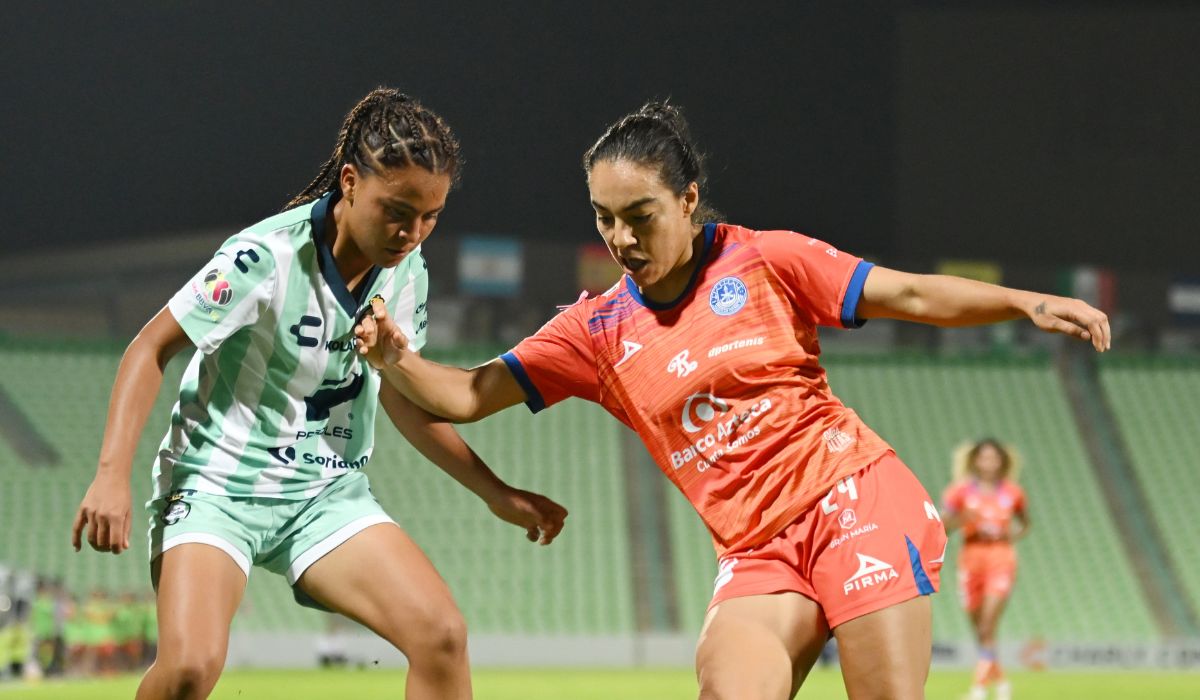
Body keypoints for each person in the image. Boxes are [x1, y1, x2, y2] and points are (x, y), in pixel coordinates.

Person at [354, 101, 1109, 700]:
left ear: (686, 201)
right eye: (602, 216)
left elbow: (908, 291)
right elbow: (462, 393)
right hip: (756, 550)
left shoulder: (767, 260)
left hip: (853, 502)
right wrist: (394, 357)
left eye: (639, 214)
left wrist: (1021, 302)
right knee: (728, 683)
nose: (620, 236)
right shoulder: (594, 330)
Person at [70, 87, 568, 700]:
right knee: (190, 669)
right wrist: (110, 475)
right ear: (352, 181)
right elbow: (149, 348)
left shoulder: (406, 271)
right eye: (398, 209)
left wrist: (497, 493)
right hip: (218, 486)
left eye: (430, 215)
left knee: (441, 636)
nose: (412, 232)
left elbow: (403, 395)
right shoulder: (264, 256)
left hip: (325, 495)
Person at [942, 439, 1029, 700]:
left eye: (994, 458)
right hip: (970, 558)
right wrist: (961, 520)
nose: (989, 463)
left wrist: (1011, 536)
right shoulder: (960, 492)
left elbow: (1025, 523)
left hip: (1001, 559)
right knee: (981, 629)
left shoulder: (1012, 493)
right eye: (983, 457)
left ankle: (978, 690)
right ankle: (1001, 684)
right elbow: (943, 525)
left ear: (1002, 461)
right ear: (975, 461)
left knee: (988, 624)